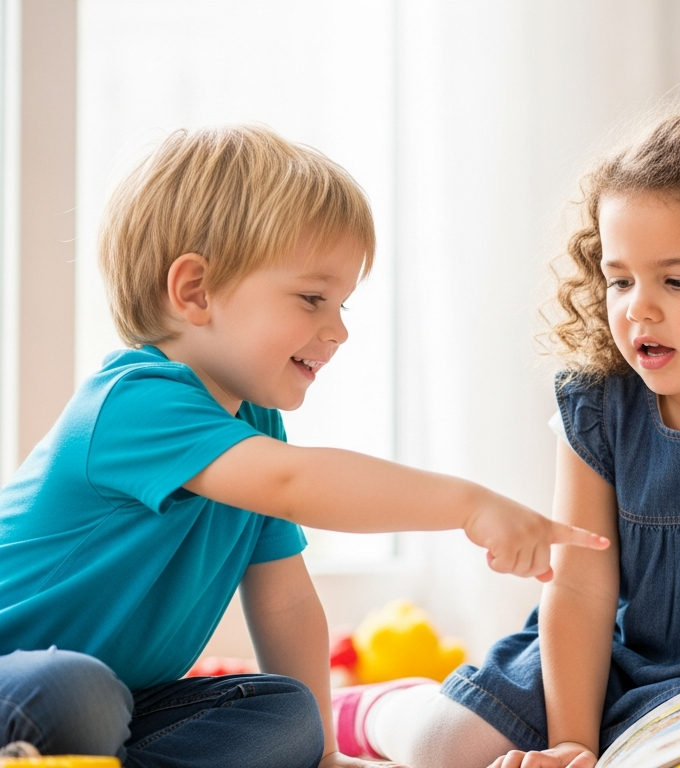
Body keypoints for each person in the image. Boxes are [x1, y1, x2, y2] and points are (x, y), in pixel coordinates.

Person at [0, 125, 608, 768]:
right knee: (74, 690)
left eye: (342, 303)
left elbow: (284, 598)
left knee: (288, 715)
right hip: (33, 686)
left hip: (123, 707)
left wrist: (322, 756)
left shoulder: (254, 427)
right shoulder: (132, 403)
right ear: (195, 291)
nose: (339, 329)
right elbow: (298, 482)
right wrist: (468, 505)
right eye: (313, 298)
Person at [335, 109, 680, 768]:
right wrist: (570, 746)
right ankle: (373, 710)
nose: (638, 307)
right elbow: (578, 591)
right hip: (602, 661)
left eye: (677, 281)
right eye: (620, 279)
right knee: (448, 748)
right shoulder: (598, 402)